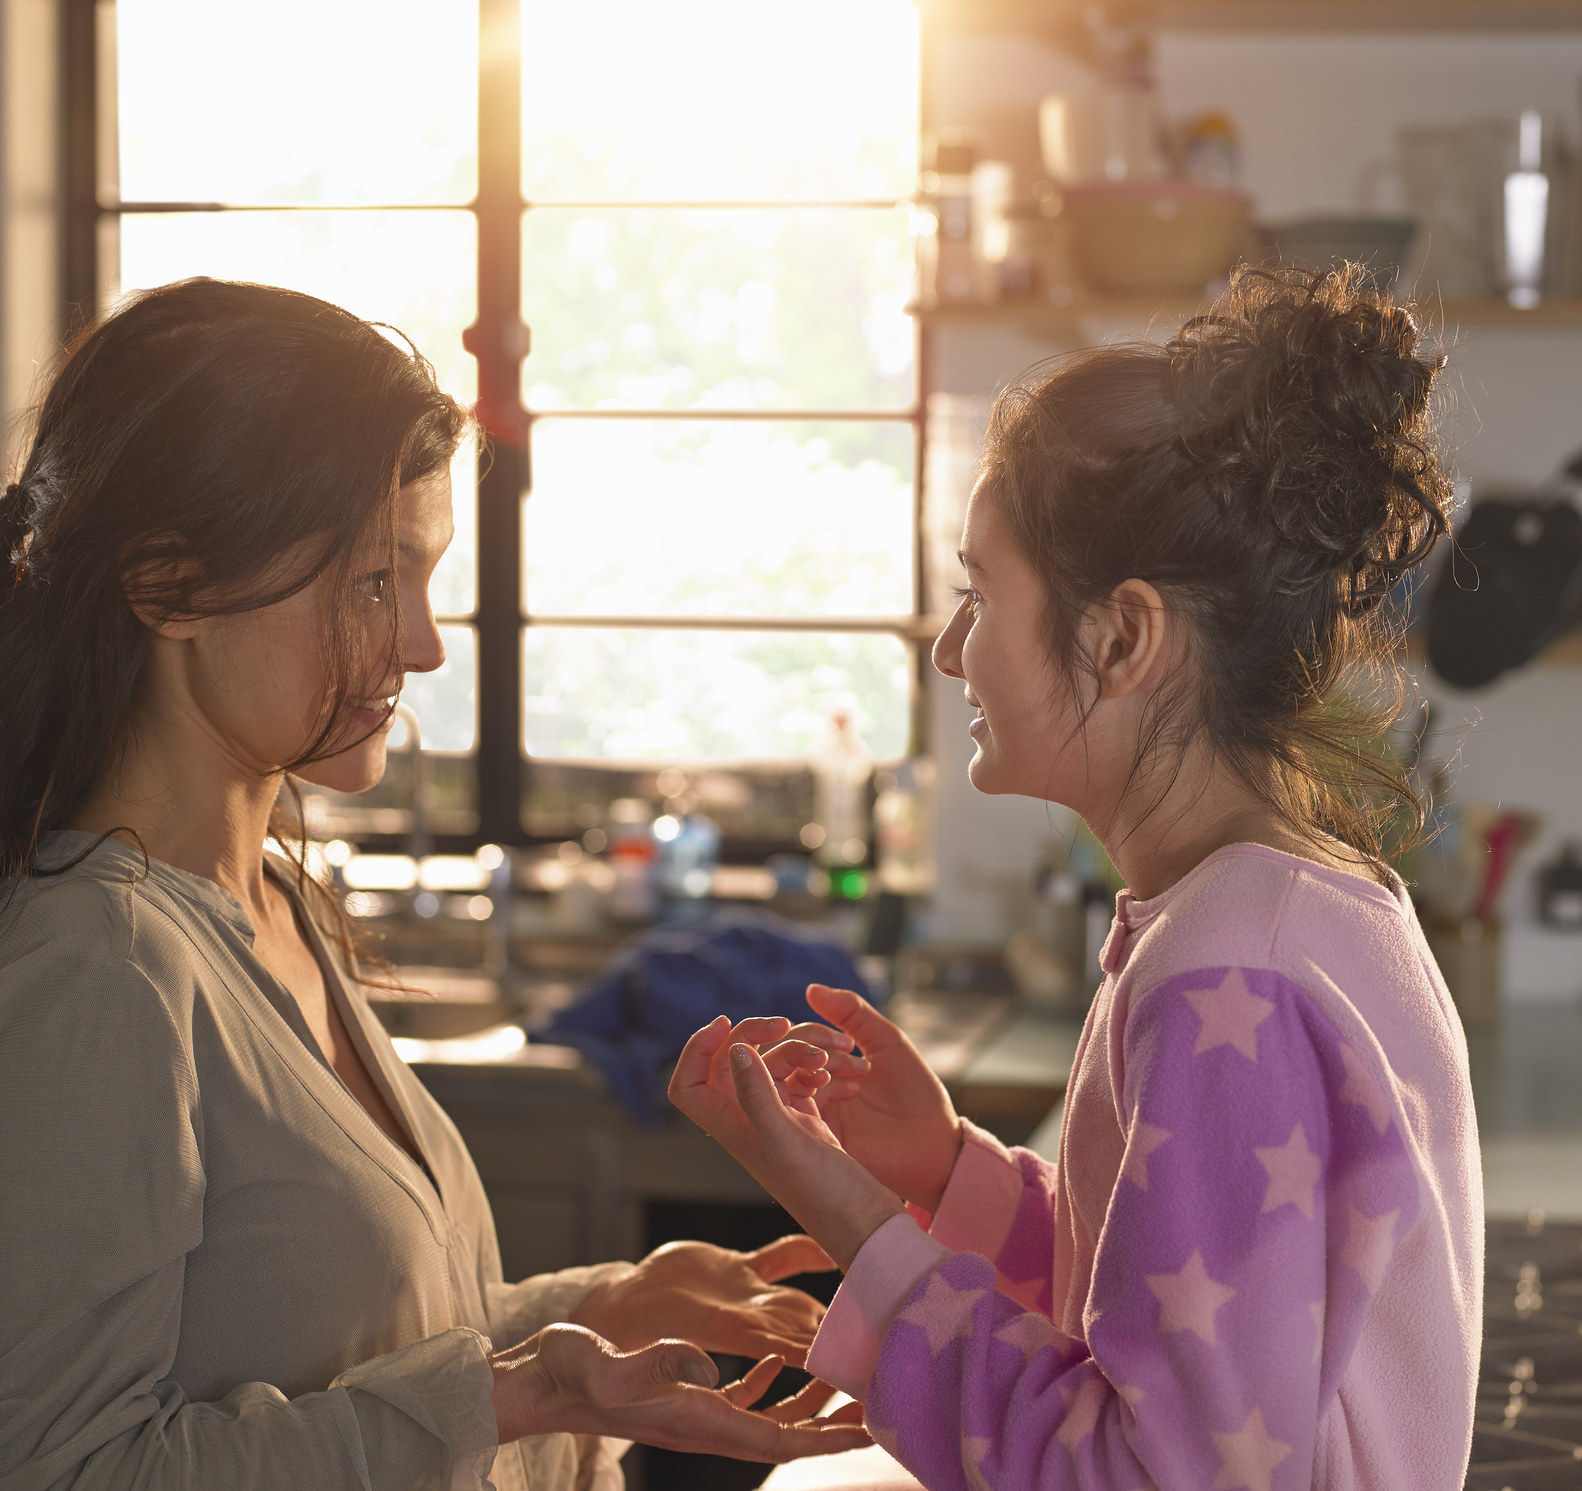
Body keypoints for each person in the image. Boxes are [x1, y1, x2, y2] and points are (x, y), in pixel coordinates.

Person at [0, 278, 870, 1490]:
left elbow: (360, 1349)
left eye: (424, 578)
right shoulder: (98, 969)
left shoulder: (273, 910)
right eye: (371, 580)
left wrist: (599, 1311)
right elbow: (65, 1471)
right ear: (169, 589)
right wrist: (524, 1396)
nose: (420, 644)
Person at [673, 265, 1485, 1489]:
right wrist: (947, 1171)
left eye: (978, 595)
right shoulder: (1307, 902)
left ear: (1121, 637)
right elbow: (1185, 1309)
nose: (952, 651)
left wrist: (846, 1214)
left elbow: (1139, 1476)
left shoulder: (1227, 976)